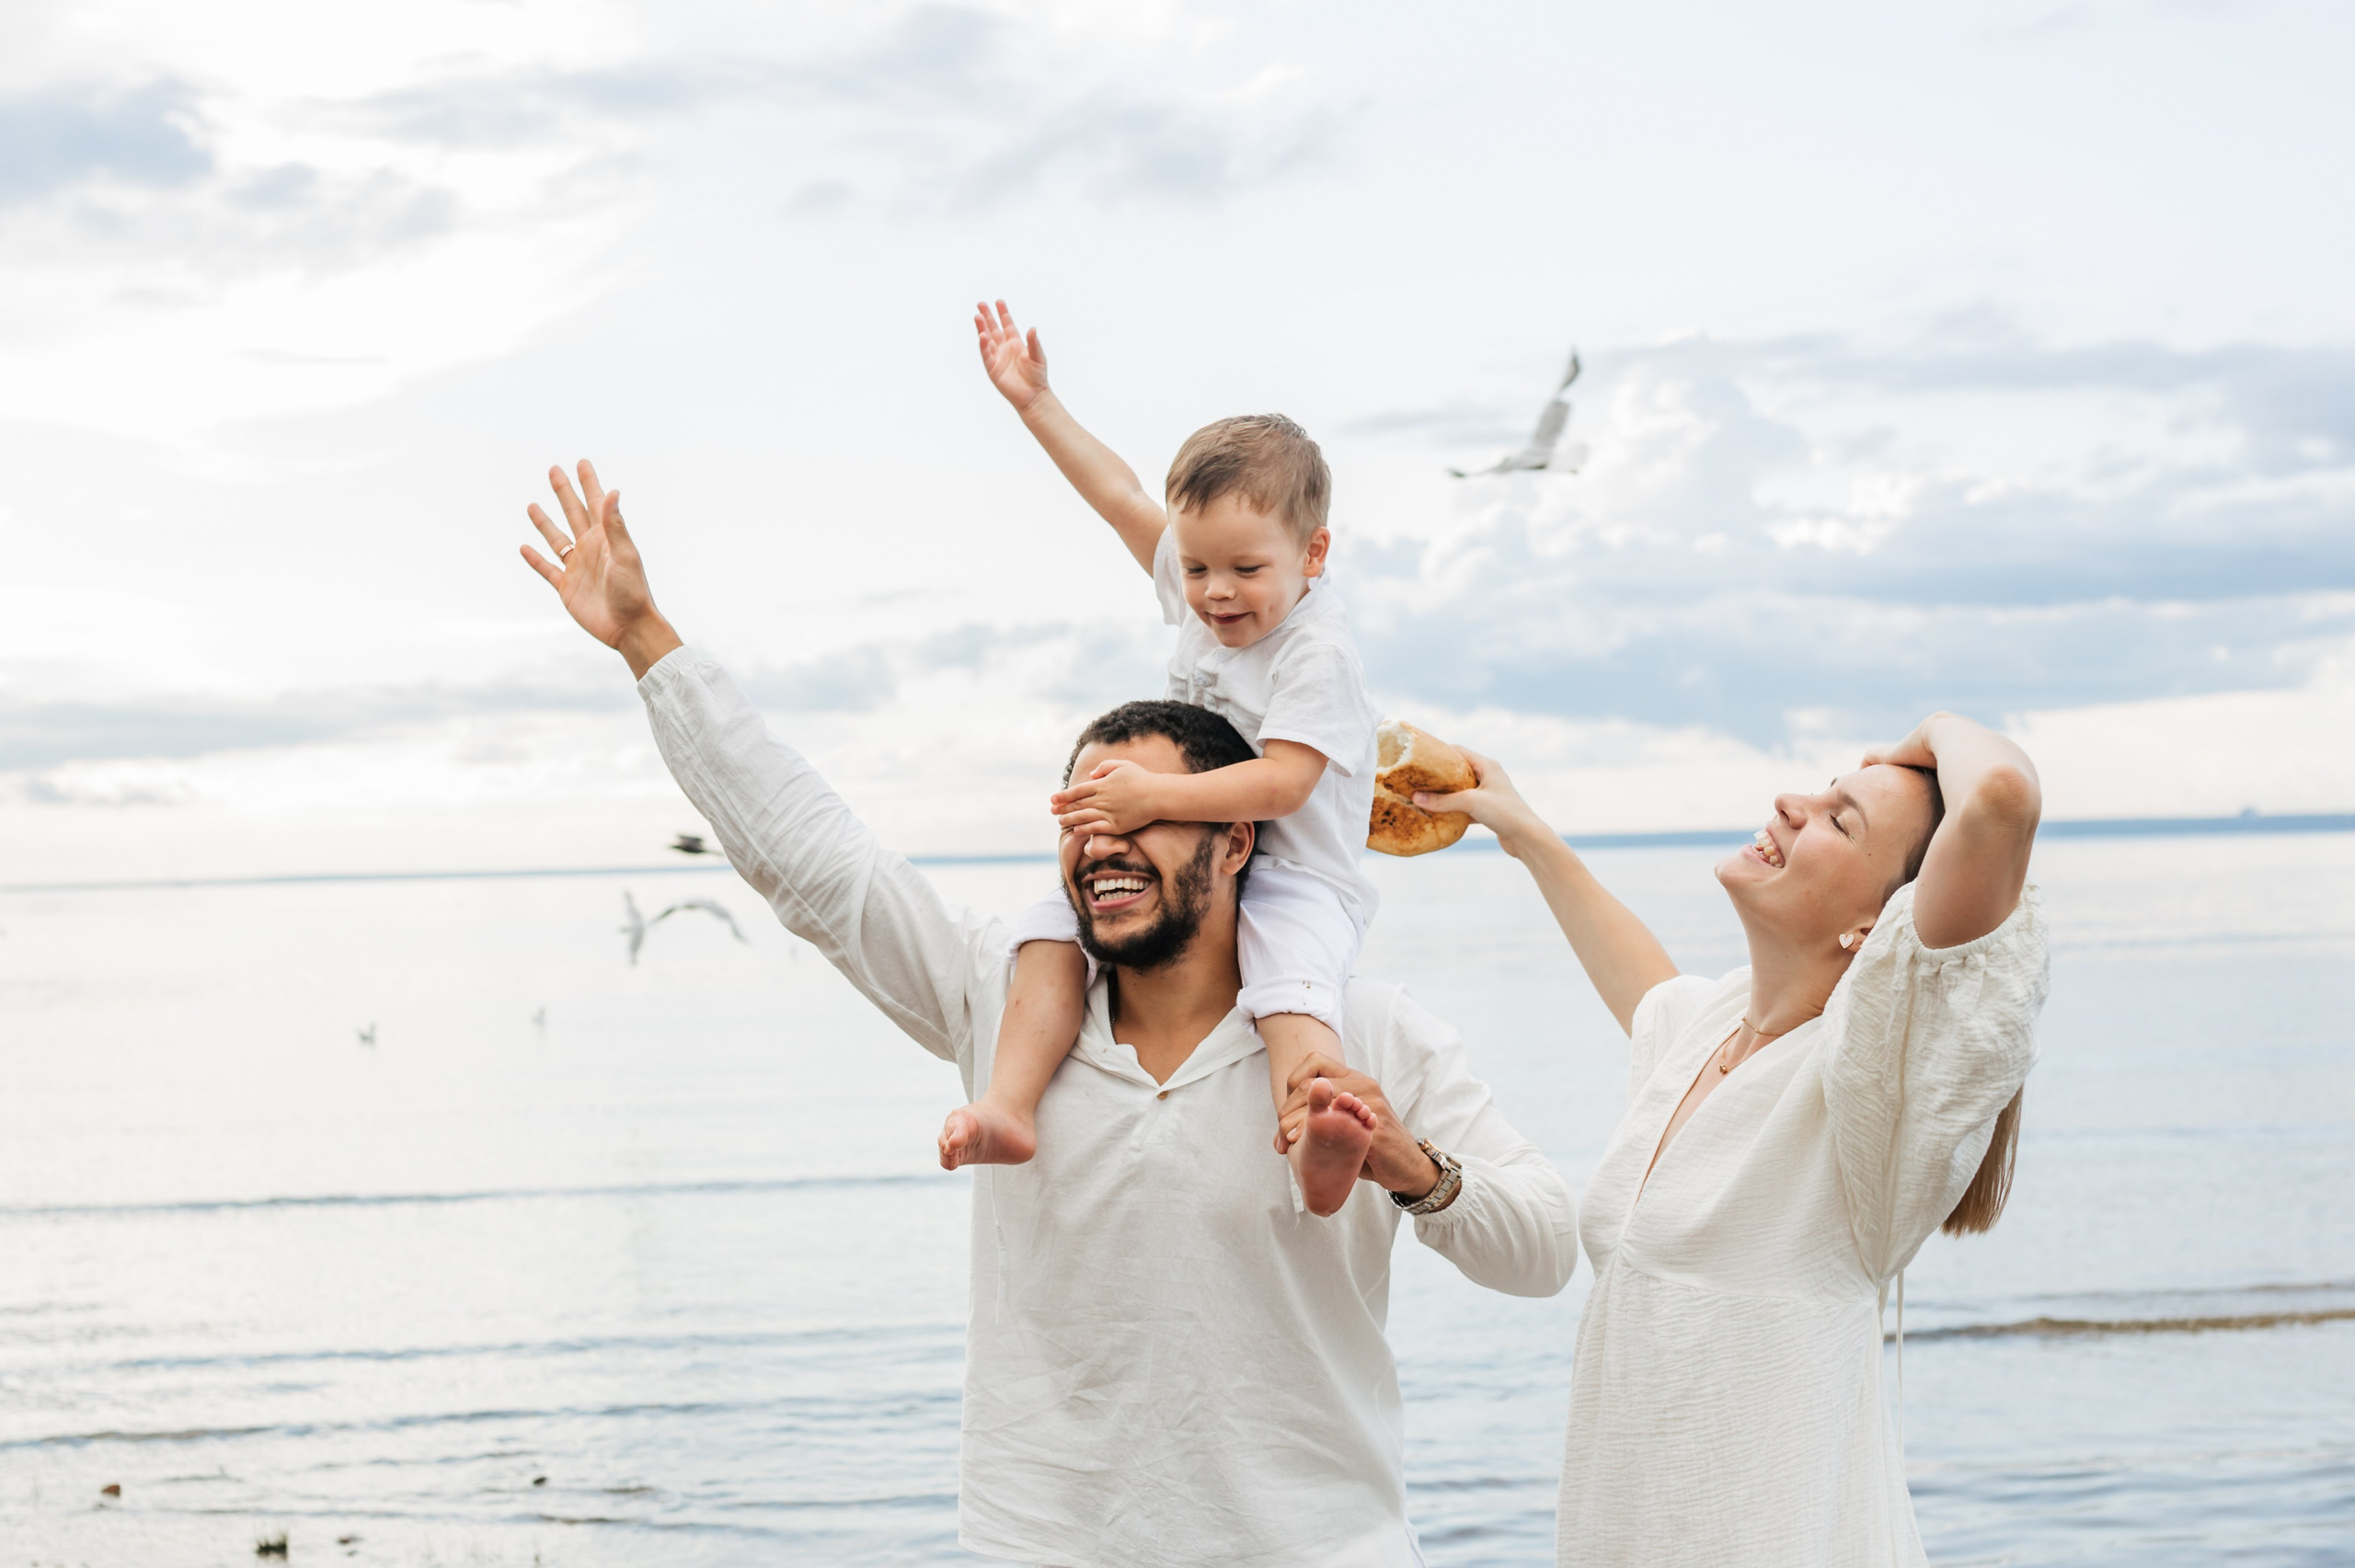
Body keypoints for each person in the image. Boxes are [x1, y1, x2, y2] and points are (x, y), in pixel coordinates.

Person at [515, 460, 1580, 1568]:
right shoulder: (1009, 997)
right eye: (1079, 814)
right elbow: (815, 860)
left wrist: (1416, 1169)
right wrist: (648, 639)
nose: (1102, 839)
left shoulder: (1363, 1029)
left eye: (1146, 811)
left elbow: (1547, 1246)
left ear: (1233, 834)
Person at [1406, 719, 2047, 1567]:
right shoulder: (1709, 1032)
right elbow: (1643, 981)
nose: (1792, 803)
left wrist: (1923, 738)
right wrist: (1518, 825)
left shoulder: (1874, 1093)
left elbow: (2002, 796)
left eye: (1839, 819)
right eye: (1818, 794)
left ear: (1877, 925)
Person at [939, 301, 1384, 1219]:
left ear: (1314, 554)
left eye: (1245, 571)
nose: (1214, 593)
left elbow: (1287, 782)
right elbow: (1118, 495)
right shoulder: (1197, 583)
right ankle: (1009, 1105)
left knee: (1288, 983)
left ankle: (1316, 1133)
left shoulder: (1316, 650)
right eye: (1194, 569)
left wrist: (1149, 796)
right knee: (1051, 934)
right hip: (1197, 855)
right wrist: (1034, 404)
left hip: (1297, 875)